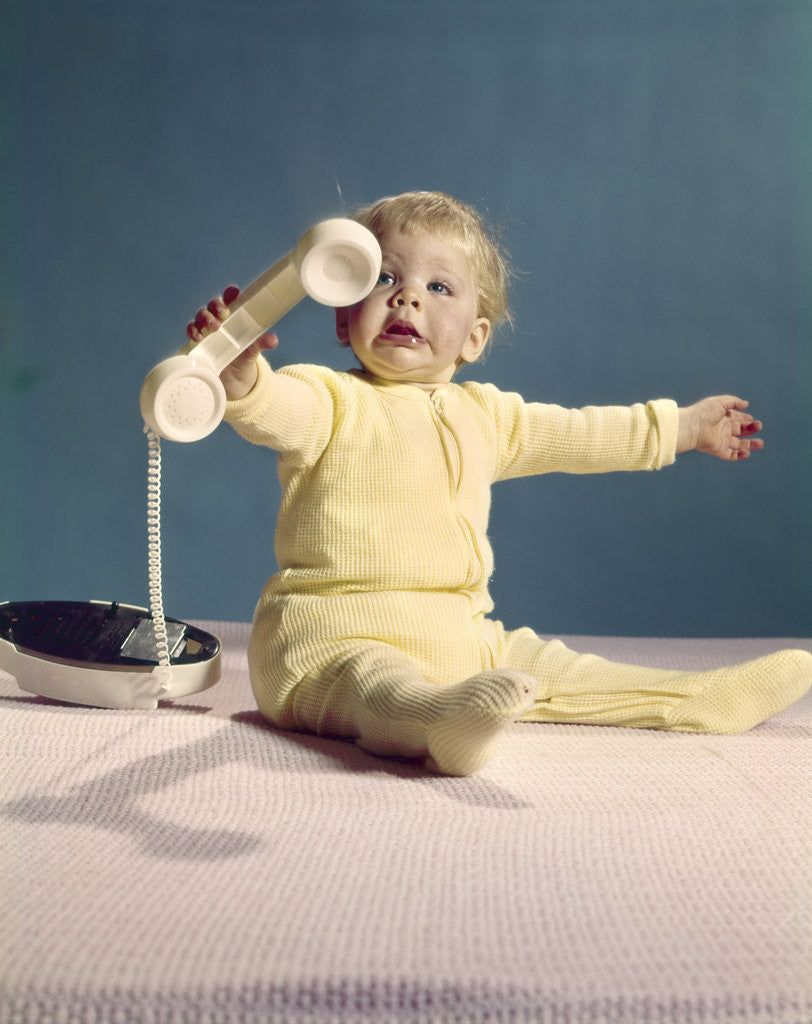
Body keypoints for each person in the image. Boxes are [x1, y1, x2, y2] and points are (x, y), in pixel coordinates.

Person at [187, 190, 810, 775]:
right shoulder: (328, 399)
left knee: (551, 669)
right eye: (383, 279)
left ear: (475, 338)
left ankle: (697, 697)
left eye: (438, 287)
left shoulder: (487, 417)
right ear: (344, 318)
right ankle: (436, 720)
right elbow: (270, 407)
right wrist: (239, 368)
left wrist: (684, 426)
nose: (407, 299)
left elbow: (587, 433)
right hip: (326, 642)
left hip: (461, 639)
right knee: (377, 682)